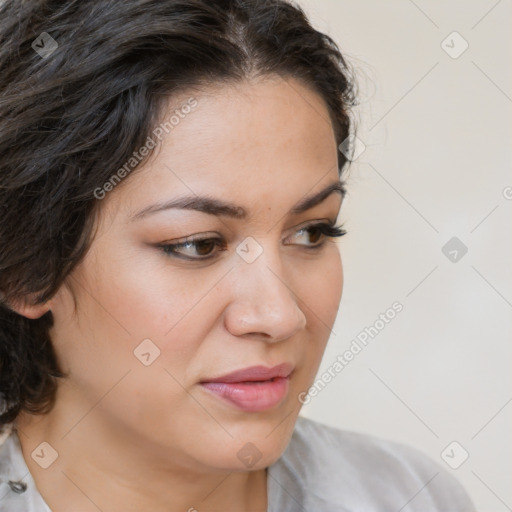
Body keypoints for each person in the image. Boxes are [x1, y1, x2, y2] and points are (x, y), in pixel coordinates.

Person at [0, 0, 476, 510]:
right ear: (26, 268)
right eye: (197, 245)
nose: (280, 316)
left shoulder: (410, 495)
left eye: (313, 232)